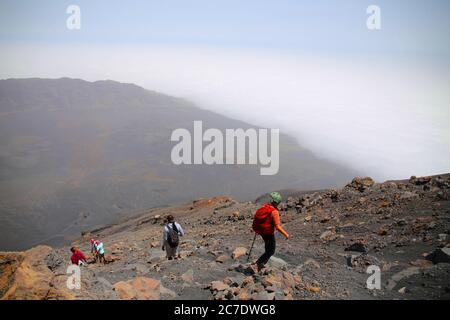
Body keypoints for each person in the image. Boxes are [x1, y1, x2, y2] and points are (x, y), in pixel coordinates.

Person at [250, 192, 289, 273]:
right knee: (271, 251)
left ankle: (260, 264)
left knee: (268, 248)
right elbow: (277, 227)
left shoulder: (265, 207)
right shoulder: (274, 212)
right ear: (277, 202)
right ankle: (257, 265)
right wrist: (286, 234)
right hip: (268, 233)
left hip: (261, 231)